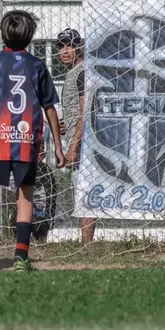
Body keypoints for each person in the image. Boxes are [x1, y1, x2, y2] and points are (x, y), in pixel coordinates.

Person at [0, 11, 65, 273]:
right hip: (27, 141)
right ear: (30, 36)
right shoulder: (37, 65)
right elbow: (50, 108)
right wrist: (59, 147)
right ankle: (20, 257)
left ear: (2, 34)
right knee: (25, 198)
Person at [56, 28, 92, 243]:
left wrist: (73, 146)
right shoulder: (72, 72)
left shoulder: (83, 72)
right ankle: (85, 242)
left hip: (84, 144)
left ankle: (86, 243)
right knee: (79, 191)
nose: (65, 50)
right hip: (75, 137)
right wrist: (65, 124)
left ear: (80, 46)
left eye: (70, 45)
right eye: (61, 46)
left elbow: (85, 111)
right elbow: (75, 112)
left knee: (84, 191)